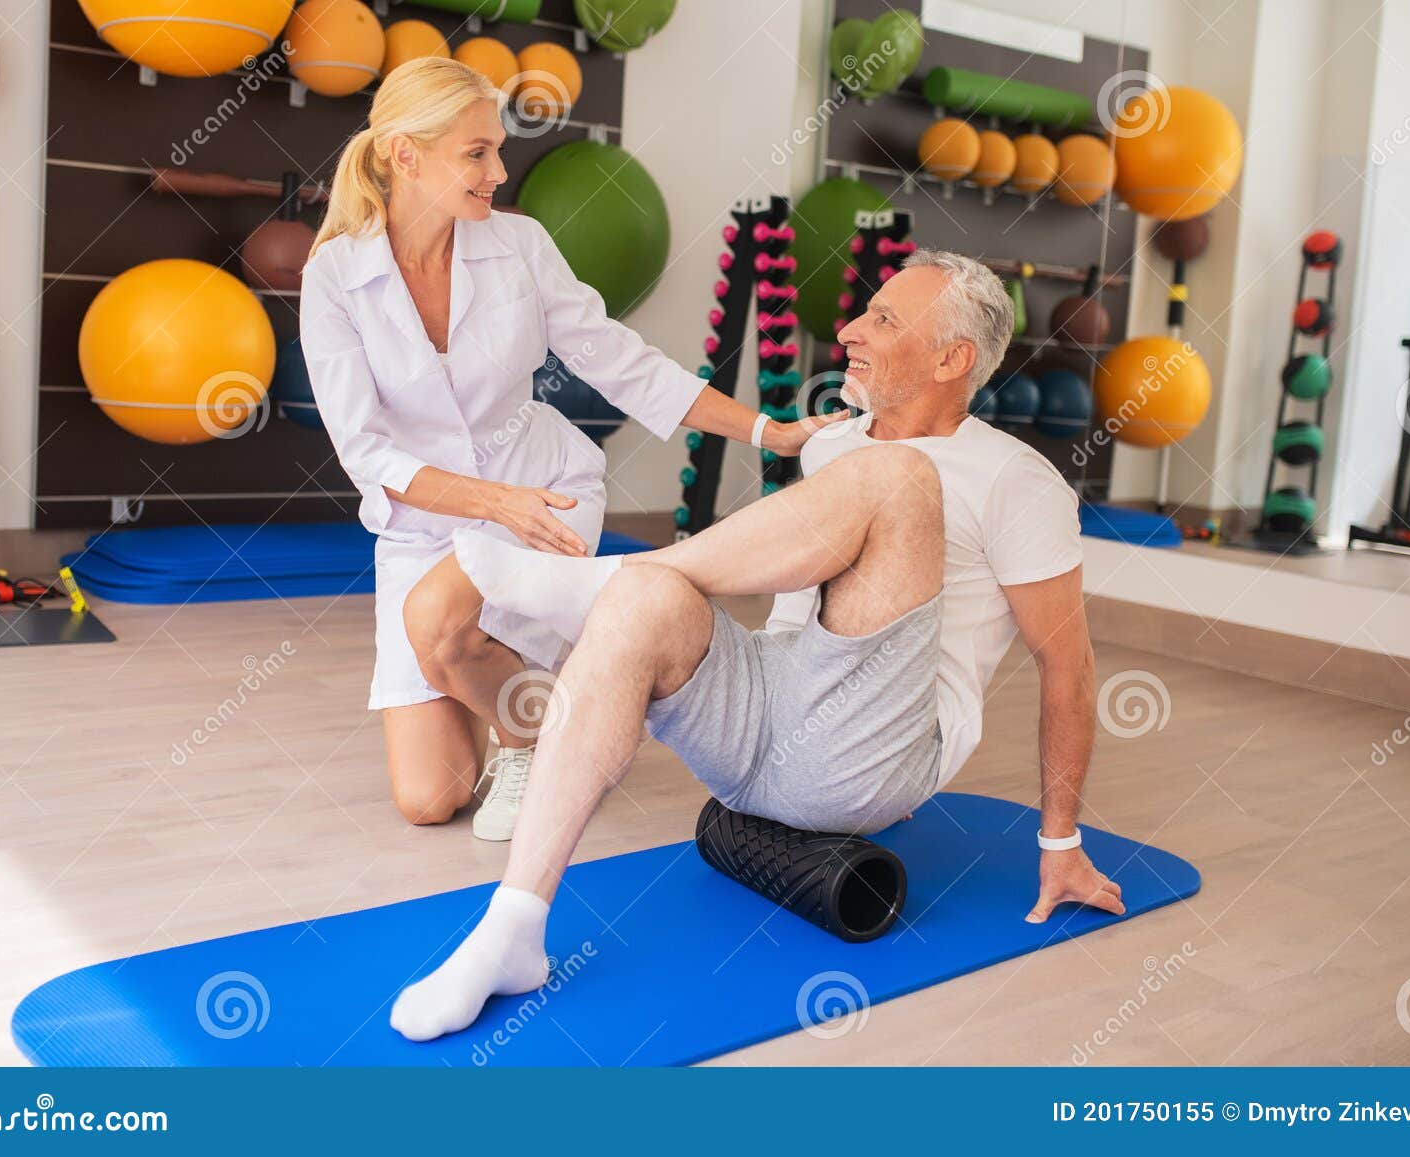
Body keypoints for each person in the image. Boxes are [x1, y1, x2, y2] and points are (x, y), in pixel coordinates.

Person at [386, 247, 1128, 1043]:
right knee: (651, 600)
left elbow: (1068, 664)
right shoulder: (830, 446)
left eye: (883, 319)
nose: (848, 329)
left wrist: (1060, 839)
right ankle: (513, 928)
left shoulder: (1018, 480)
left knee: (900, 477)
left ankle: (615, 580)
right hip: (758, 731)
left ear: (954, 358)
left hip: (865, 759)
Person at [300, 58, 838, 841]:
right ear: (405, 156)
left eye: (498, 149)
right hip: (431, 520)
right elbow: (364, 450)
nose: (500, 170)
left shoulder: (517, 244)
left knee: (439, 620)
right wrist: (490, 504)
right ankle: (566, 716)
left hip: (543, 491)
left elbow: (620, 360)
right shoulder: (336, 277)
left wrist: (768, 430)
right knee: (430, 796)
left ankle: (522, 737)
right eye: (477, 153)